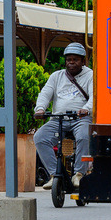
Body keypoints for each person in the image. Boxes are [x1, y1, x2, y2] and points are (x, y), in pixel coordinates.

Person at [34, 42, 93, 189]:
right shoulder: (56, 76)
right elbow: (45, 93)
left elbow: (95, 96)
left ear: (83, 61)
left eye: (75, 59)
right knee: (40, 138)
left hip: (81, 119)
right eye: (68, 59)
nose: (71, 62)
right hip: (58, 119)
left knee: (84, 137)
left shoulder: (90, 75)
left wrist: (86, 108)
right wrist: (40, 109)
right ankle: (55, 175)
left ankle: (79, 173)